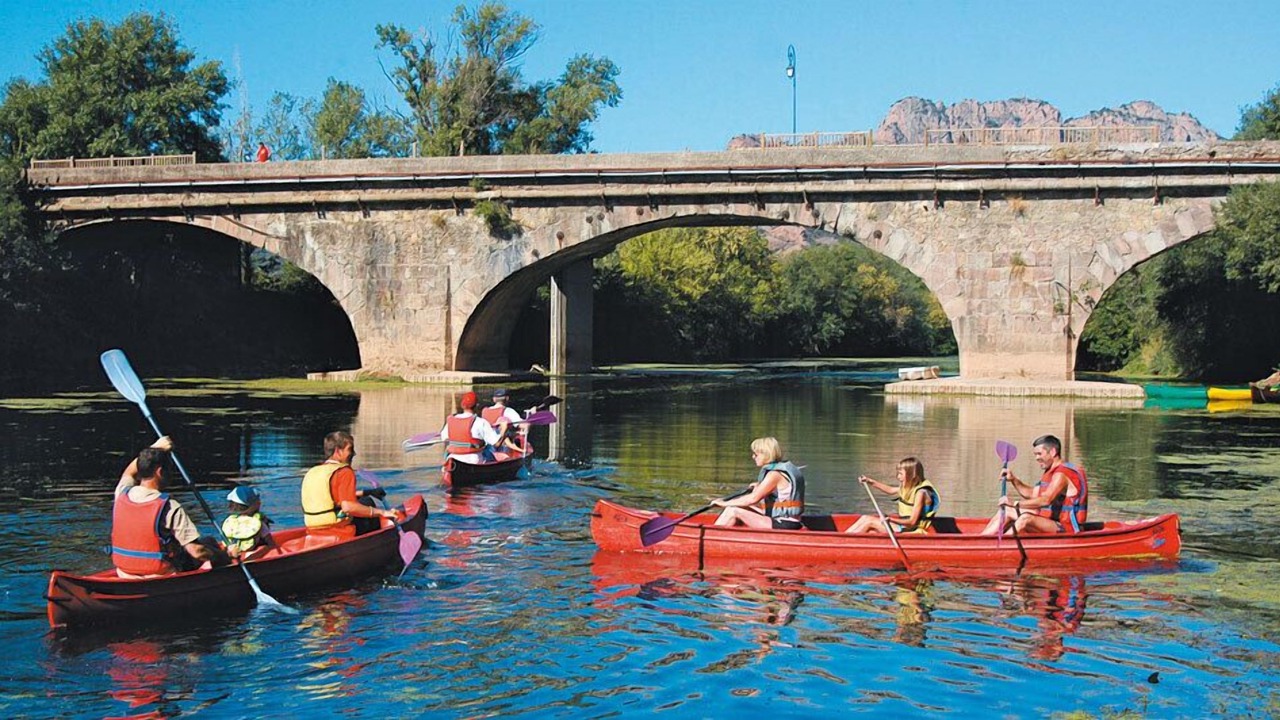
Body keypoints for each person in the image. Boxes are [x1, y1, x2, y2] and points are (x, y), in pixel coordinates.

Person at [111, 436, 226, 578]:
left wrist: (155, 448)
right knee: (209, 545)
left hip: (124, 572)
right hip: (160, 575)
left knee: (208, 542)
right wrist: (224, 556)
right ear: (160, 472)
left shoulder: (122, 493)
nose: (171, 475)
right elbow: (196, 551)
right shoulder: (169, 506)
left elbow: (129, 472)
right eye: (170, 470)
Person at [981, 434, 1088, 536]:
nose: (1036, 458)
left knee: (1025, 518)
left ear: (1053, 452)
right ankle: (981, 539)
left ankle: (1002, 544)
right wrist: (1014, 480)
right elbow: (1033, 494)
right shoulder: (1050, 471)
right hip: (1050, 521)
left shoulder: (1062, 473)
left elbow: (1046, 500)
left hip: (1066, 527)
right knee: (1006, 511)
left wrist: (1015, 503)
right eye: (1035, 455)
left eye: (1039, 454)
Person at [301, 431, 396, 538]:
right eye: (350, 449)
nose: (353, 453)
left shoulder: (313, 472)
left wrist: (367, 492)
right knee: (367, 502)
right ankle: (378, 539)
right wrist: (382, 512)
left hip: (313, 530)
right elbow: (348, 507)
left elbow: (330, 498)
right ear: (338, 451)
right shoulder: (344, 472)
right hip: (339, 531)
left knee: (364, 498)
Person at [711, 437, 805, 529]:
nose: (753, 457)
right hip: (784, 520)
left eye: (756, 454)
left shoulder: (774, 475)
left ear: (766, 454)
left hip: (784, 523)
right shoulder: (780, 472)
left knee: (732, 510)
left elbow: (753, 499)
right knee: (740, 506)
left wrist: (724, 503)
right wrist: (760, 486)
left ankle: (711, 535)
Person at [845, 457, 939, 534]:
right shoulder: (909, 489)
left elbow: (912, 522)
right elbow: (890, 490)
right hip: (902, 527)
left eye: (901, 474)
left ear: (911, 475)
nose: (898, 477)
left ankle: (844, 542)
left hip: (911, 530)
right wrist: (870, 481)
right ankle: (843, 538)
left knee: (870, 522)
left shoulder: (920, 493)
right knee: (865, 518)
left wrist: (890, 519)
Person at [439, 391, 507, 464]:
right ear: (477, 406)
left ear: (462, 406)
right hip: (473, 460)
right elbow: (497, 443)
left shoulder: (451, 421)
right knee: (492, 455)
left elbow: (444, 439)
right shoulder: (481, 422)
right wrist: (504, 429)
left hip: (453, 459)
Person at [221, 485, 273, 560]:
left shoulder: (230, 522)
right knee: (266, 547)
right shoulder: (259, 523)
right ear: (256, 505)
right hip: (252, 553)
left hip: (234, 552)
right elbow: (270, 542)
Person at [480, 388, 525, 455]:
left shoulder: (484, 411)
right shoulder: (508, 411)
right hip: (501, 446)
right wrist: (530, 415)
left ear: (494, 399)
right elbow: (524, 426)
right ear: (507, 398)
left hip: (486, 445)